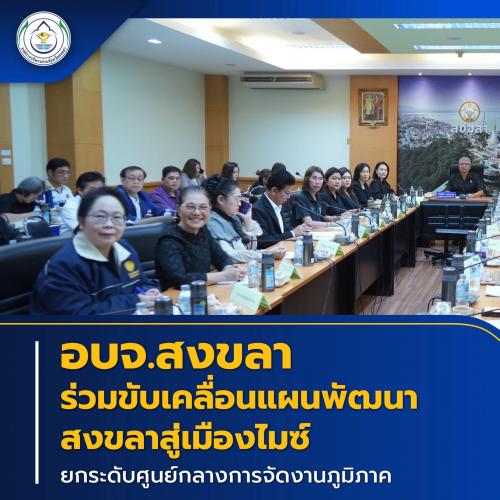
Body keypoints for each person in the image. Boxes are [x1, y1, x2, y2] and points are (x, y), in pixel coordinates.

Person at [30, 187, 161, 315]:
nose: (109, 224)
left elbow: (141, 282)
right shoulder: (64, 265)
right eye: (100, 216)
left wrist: (149, 291)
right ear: (81, 221)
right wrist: (136, 301)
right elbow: (80, 314)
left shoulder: (124, 249)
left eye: (117, 217)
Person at [155, 186, 245, 290]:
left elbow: (222, 258)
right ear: (178, 209)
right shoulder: (168, 239)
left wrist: (229, 269)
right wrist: (224, 276)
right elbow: (180, 280)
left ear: (210, 210)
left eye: (203, 207)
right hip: (174, 296)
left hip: (202, 292)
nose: (197, 213)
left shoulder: (203, 231)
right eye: (190, 207)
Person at [205, 174, 263, 263]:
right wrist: (265, 255)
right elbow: (230, 256)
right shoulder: (213, 222)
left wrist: (247, 221)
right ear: (221, 200)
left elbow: (248, 248)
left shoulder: (233, 219)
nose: (239, 204)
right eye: (237, 199)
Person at [251, 170, 310, 249]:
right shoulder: (258, 209)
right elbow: (263, 240)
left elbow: (283, 231)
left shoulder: (278, 203)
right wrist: (292, 233)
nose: (289, 197)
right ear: (274, 191)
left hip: (282, 249)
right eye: (287, 193)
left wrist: (300, 229)